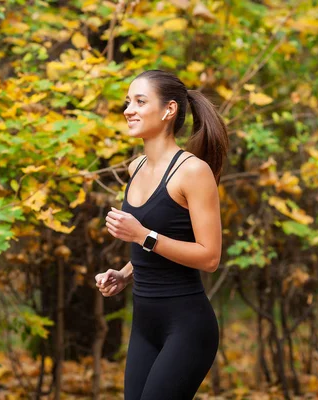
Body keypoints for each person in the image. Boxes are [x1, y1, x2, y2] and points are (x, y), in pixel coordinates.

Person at [94, 69, 229, 400]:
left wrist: (142, 236)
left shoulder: (192, 172)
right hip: (144, 324)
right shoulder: (135, 168)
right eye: (128, 102)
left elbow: (209, 257)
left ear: (169, 110)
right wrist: (125, 273)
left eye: (140, 101)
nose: (129, 110)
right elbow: (158, 246)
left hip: (186, 325)